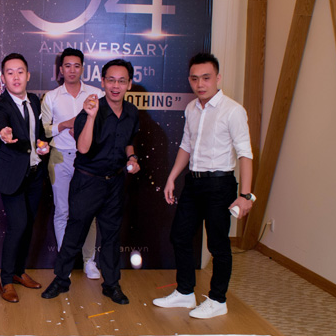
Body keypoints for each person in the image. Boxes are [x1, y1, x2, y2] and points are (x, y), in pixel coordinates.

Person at [152, 52, 254, 319]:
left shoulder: (233, 110)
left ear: (218, 78)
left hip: (220, 184)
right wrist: (172, 177)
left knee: (218, 244)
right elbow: (186, 145)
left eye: (206, 78)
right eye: (195, 78)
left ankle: (218, 300)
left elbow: (245, 154)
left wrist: (245, 195)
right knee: (180, 236)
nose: (200, 84)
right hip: (193, 182)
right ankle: (185, 292)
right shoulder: (191, 108)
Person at [41, 59, 140, 305]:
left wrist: (132, 157)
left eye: (121, 81)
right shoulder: (91, 109)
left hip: (115, 182)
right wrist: (92, 117)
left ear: (129, 84)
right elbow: (83, 148)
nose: (116, 86)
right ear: (103, 82)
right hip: (88, 181)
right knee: (75, 231)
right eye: (111, 80)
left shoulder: (131, 112)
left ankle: (111, 284)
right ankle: (61, 280)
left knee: (111, 236)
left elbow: (128, 141)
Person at [0, 53, 50, 303]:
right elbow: (1, 126)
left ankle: (18, 271)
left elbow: (39, 133)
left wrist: (42, 145)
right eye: (10, 72)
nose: (16, 77)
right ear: (3, 78)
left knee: (29, 225)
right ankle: (5, 280)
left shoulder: (34, 100)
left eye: (20, 72)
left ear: (28, 75)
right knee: (18, 225)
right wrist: (4, 133)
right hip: (12, 176)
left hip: (34, 174)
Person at [40, 48, 101, 280]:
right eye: (67, 66)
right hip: (60, 157)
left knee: (88, 213)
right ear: (60, 69)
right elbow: (44, 130)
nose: (72, 70)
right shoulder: (52, 97)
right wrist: (65, 124)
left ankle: (89, 261)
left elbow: (103, 127)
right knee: (62, 211)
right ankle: (64, 262)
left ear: (83, 68)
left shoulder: (96, 94)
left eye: (76, 65)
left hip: (89, 160)